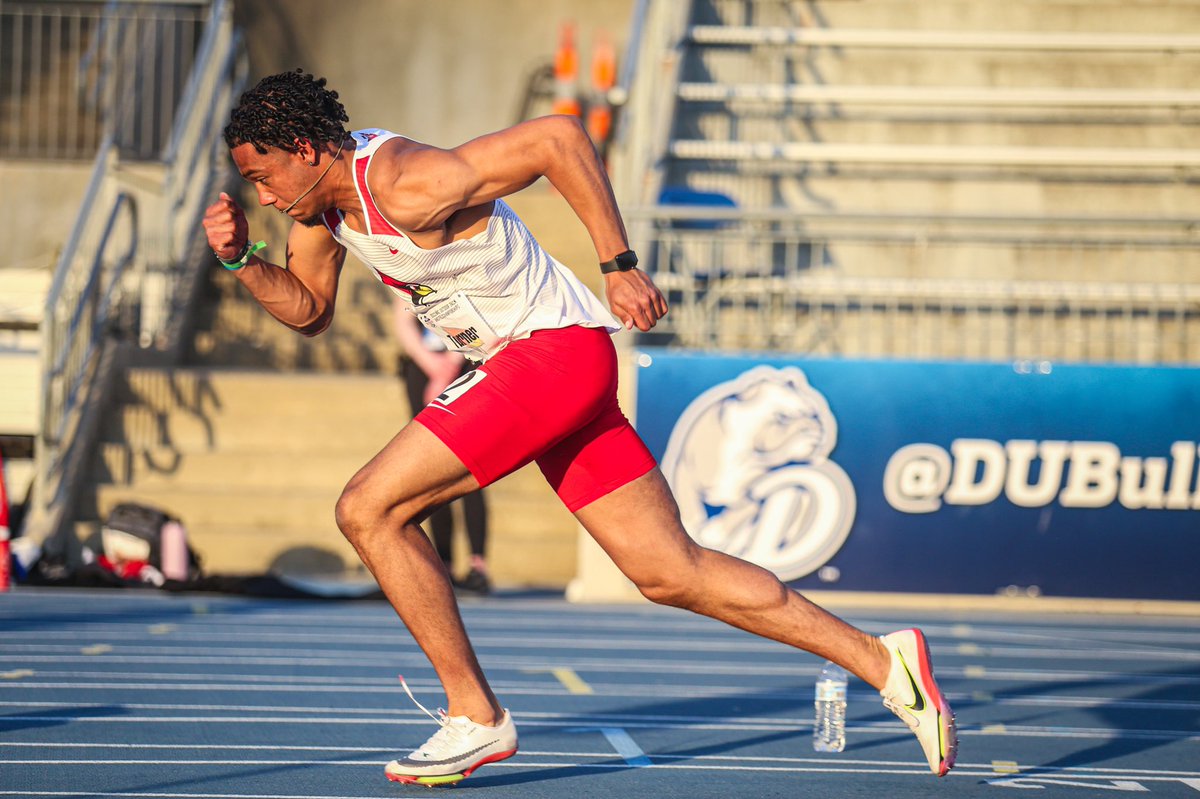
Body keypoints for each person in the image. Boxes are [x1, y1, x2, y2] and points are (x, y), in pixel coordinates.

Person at [202, 69, 957, 786]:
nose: (263, 196)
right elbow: (308, 310)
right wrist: (242, 262)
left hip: (549, 358)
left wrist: (619, 263)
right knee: (670, 572)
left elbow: (558, 138)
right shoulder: (321, 214)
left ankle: (476, 713)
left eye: (264, 176)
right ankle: (884, 661)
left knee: (369, 507)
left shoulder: (403, 179)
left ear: (305, 150)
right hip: (550, 368)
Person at [393, 298, 491, 595]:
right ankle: (443, 563)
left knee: (471, 465)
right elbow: (402, 317)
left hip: (466, 363)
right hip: (423, 367)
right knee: (431, 469)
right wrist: (430, 364)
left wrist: (451, 366)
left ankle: (478, 565)